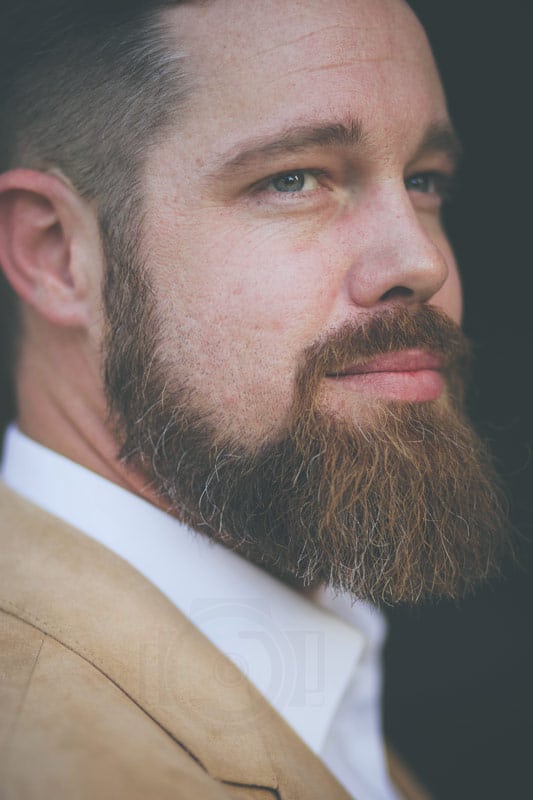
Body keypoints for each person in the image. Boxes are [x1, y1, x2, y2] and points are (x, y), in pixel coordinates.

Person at [0, 1, 509, 798]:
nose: (420, 261)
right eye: (294, 178)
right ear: (58, 254)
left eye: (423, 181)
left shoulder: (307, 664)